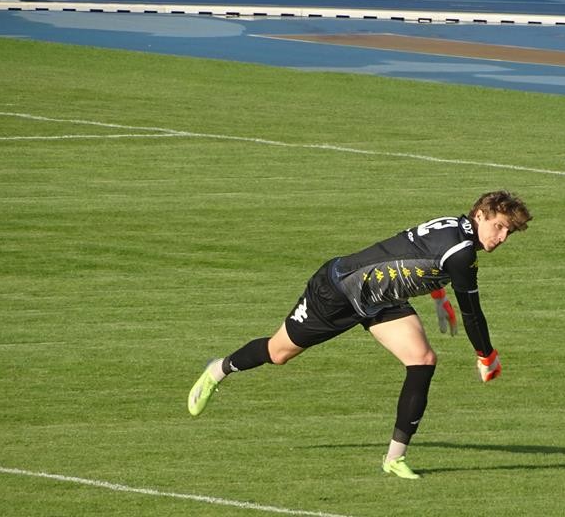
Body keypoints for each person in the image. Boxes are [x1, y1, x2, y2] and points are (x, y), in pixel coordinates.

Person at [187, 190, 532, 479]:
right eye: (499, 227)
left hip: (380, 299)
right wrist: (486, 355)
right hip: (337, 290)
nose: (502, 238)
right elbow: (472, 312)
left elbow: (415, 253)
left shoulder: (454, 226)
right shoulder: (462, 253)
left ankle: (394, 458)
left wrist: (439, 298)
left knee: (423, 360)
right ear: (480, 215)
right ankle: (219, 369)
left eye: (509, 232)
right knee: (279, 353)